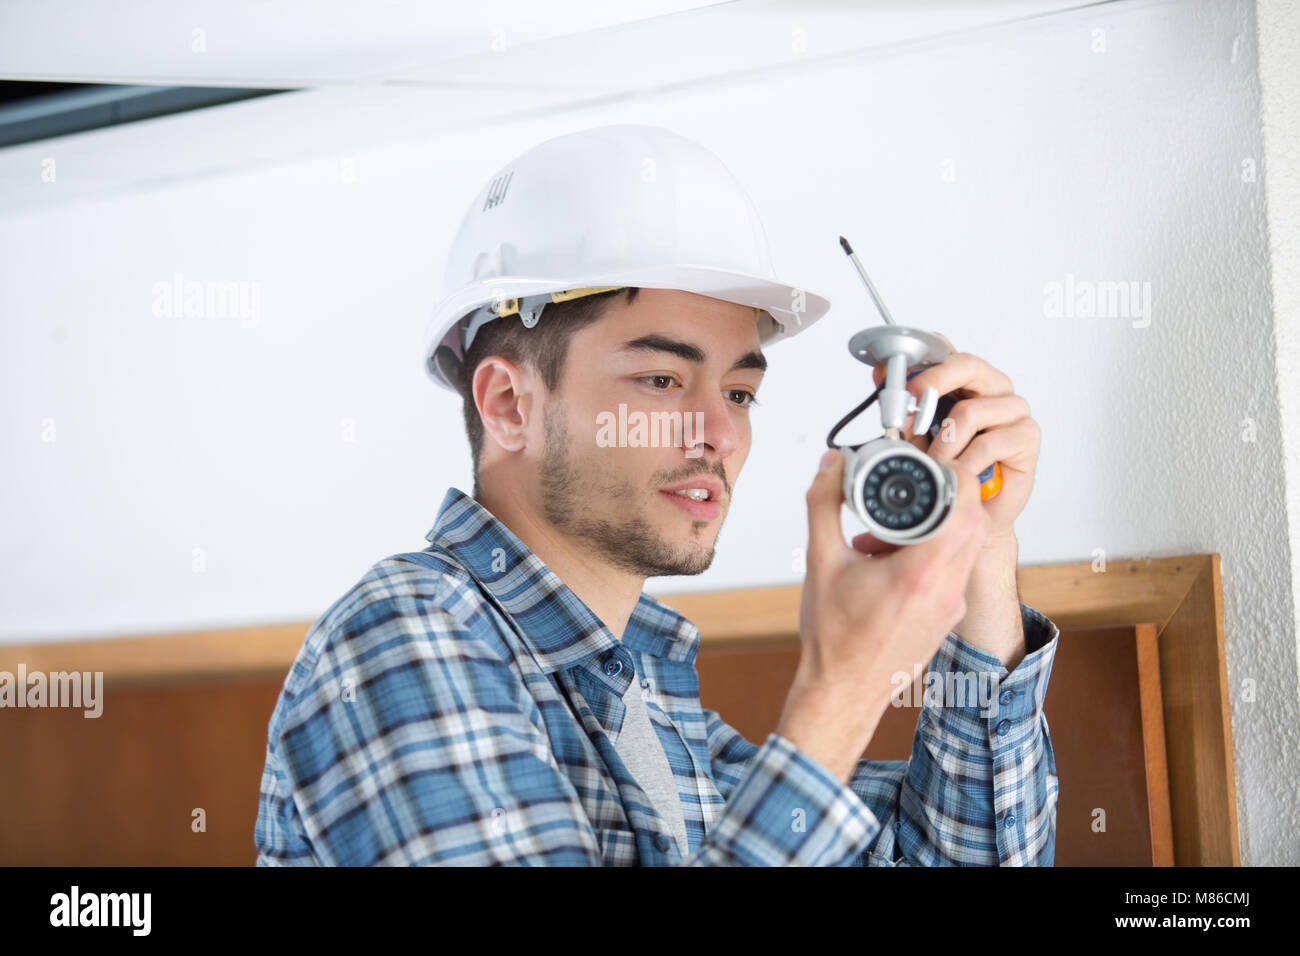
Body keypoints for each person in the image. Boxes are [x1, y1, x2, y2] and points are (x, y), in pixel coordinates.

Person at [254, 124, 1059, 866]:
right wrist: (842, 690)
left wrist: (980, 542)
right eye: (663, 379)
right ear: (508, 405)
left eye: (740, 393)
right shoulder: (402, 637)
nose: (720, 434)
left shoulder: (652, 712)